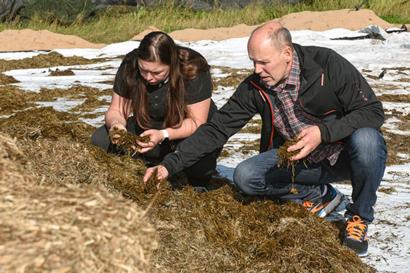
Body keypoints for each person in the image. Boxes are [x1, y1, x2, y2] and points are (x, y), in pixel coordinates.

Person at [143, 22, 387, 257]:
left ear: (287, 53)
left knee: (368, 139)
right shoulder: (255, 87)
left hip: (342, 155)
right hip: (297, 160)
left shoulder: (327, 64)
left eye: (263, 62)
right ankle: (319, 194)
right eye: (253, 62)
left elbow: (373, 112)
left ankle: (359, 216)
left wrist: (322, 133)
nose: (257, 70)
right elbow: (217, 129)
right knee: (245, 176)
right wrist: (168, 165)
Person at [92, 31, 220, 186]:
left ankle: (169, 162)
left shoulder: (192, 68)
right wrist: (116, 126)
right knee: (100, 140)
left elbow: (196, 122)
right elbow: (117, 110)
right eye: (143, 70)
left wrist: (163, 134)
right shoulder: (130, 65)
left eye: (157, 72)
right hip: (150, 123)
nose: (148, 77)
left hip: (186, 129)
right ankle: (156, 159)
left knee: (200, 169)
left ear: (171, 64)